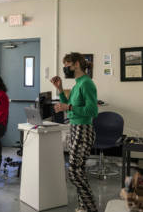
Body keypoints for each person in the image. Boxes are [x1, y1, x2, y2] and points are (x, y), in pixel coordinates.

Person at [50, 52, 98, 212]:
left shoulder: (86, 83)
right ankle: (84, 206)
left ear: (76, 64)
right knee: (79, 171)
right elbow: (68, 105)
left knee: (74, 173)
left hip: (83, 130)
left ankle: (90, 207)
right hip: (75, 128)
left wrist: (68, 107)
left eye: (67, 65)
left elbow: (92, 110)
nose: (65, 69)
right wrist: (60, 89)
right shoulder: (78, 84)